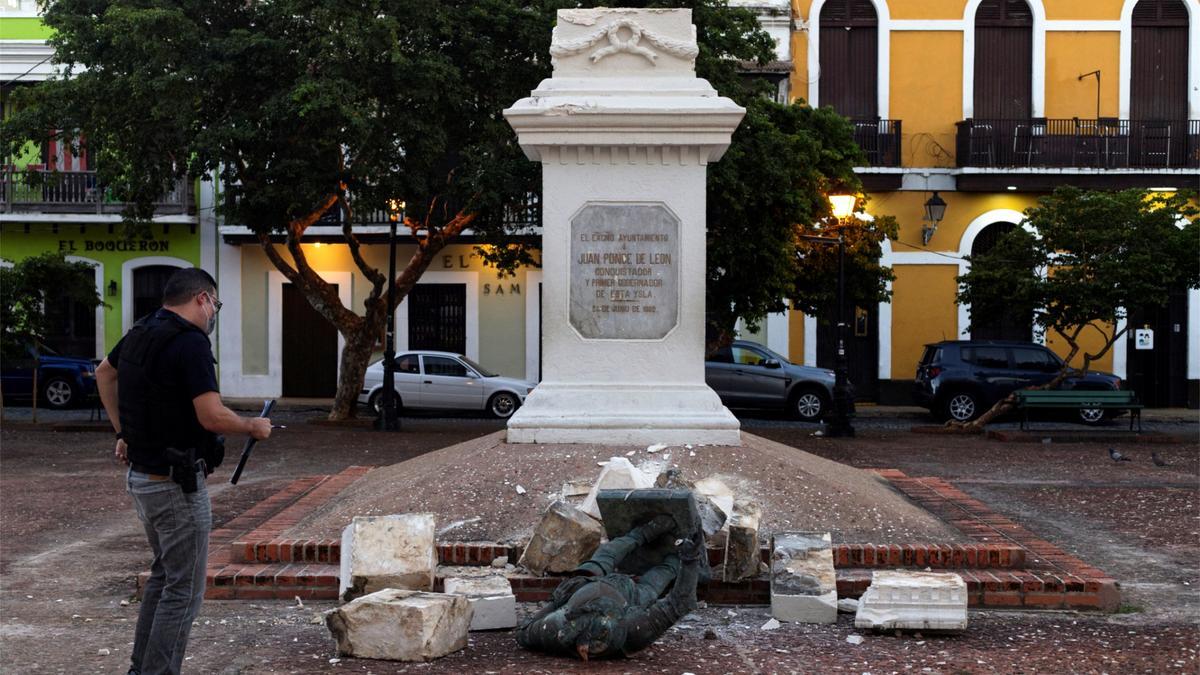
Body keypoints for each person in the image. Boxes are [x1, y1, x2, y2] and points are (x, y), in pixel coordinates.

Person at [95, 268, 271, 675]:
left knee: (163, 579)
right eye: (216, 305)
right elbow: (211, 416)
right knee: (184, 591)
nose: (214, 315)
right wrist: (251, 426)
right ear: (202, 300)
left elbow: (105, 373)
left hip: (144, 479)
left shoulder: (142, 332)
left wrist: (123, 431)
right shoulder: (190, 344)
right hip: (176, 487)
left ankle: (142, 670)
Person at [516, 515, 704, 660]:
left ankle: (643, 533)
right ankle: (675, 553)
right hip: (632, 595)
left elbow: (523, 633)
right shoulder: (633, 631)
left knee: (605, 555)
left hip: (584, 586)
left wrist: (559, 598)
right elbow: (681, 602)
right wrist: (689, 559)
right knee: (659, 577)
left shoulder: (554, 629)